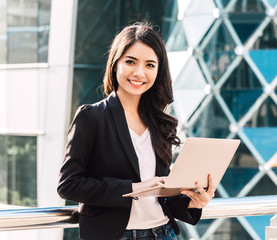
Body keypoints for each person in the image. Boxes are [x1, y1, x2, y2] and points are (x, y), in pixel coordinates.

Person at [57, 22, 215, 240]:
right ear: (115, 64)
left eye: (150, 65)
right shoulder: (91, 117)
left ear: (158, 71)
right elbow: (69, 185)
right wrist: (133, 187)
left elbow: (161, 192)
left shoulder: (160, 122)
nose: (139, 72)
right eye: (131, 62)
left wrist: (194, 200)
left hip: (163, 233)